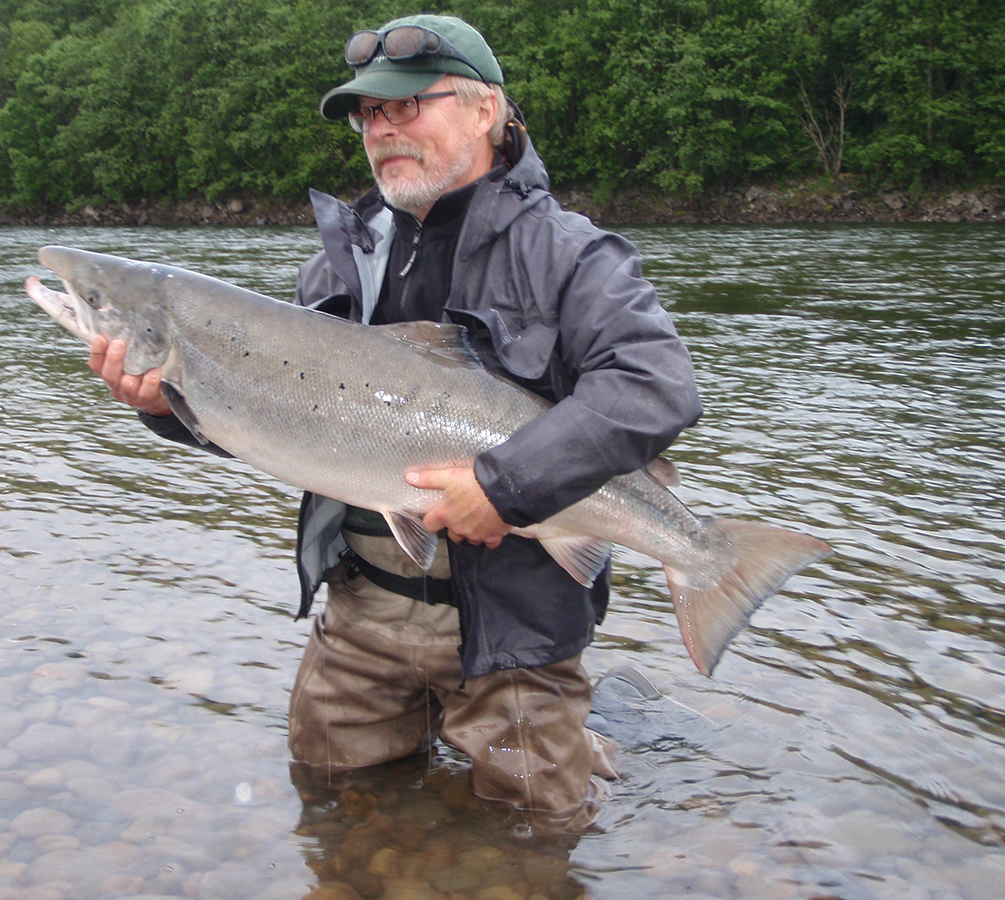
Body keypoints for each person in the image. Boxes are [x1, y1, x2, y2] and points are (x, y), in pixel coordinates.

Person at [88, 14, 701, 830]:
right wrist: (168, 408)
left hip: (514, 631)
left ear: (486, 110)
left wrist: (503, 487)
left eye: (407, 106)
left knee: (533, 843)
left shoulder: (573, 257)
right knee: (335, 813)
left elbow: (656, 389)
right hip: (362, 615)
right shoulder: (336, 263)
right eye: (368, 116)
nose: (382, 130)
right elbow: (261, 418)